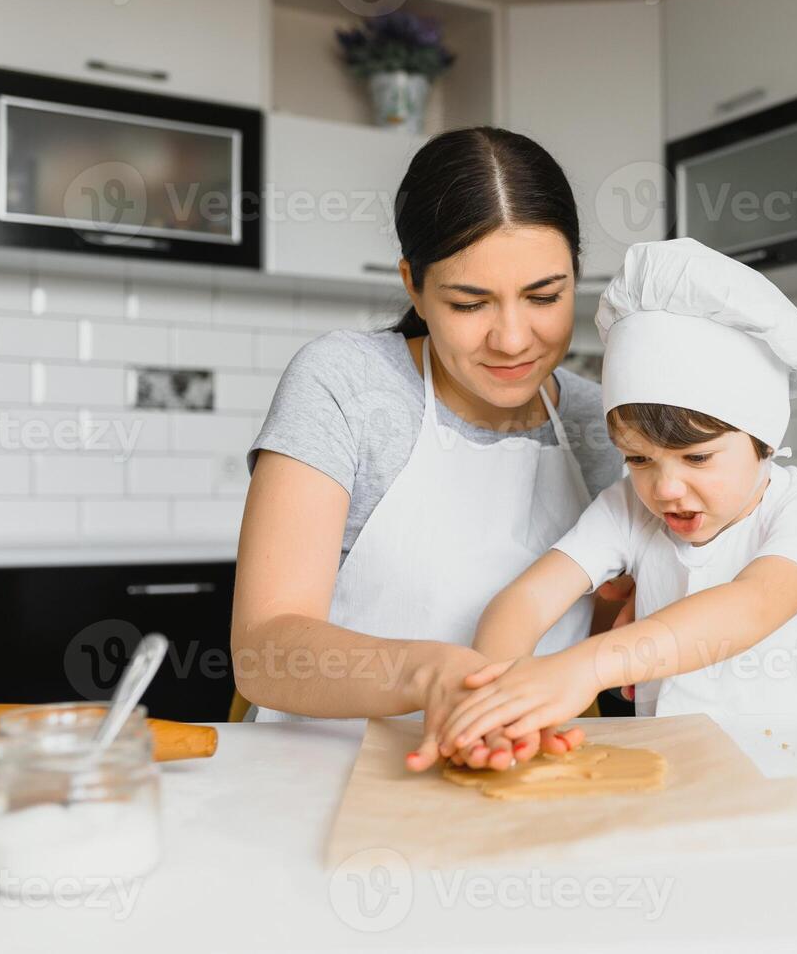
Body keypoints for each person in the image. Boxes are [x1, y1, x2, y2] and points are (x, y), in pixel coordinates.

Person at [230, 127, 628, 770]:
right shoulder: (346, 383)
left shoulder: (601, 421)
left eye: (545, 297)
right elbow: (265, 650)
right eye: (471, 303)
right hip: (319, 777)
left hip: (528, 781)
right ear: (413, 286)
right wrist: (430, 676)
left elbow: (616, 638)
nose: (512, 338)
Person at [419, 238, 797, 760]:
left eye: (696, 458)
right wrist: (496, 700)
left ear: (763, 442)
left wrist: (586, 666)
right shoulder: (626, 509)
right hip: (676, 769)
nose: (665, 488)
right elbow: (526, 600)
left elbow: (749, 606)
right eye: (638, 459)